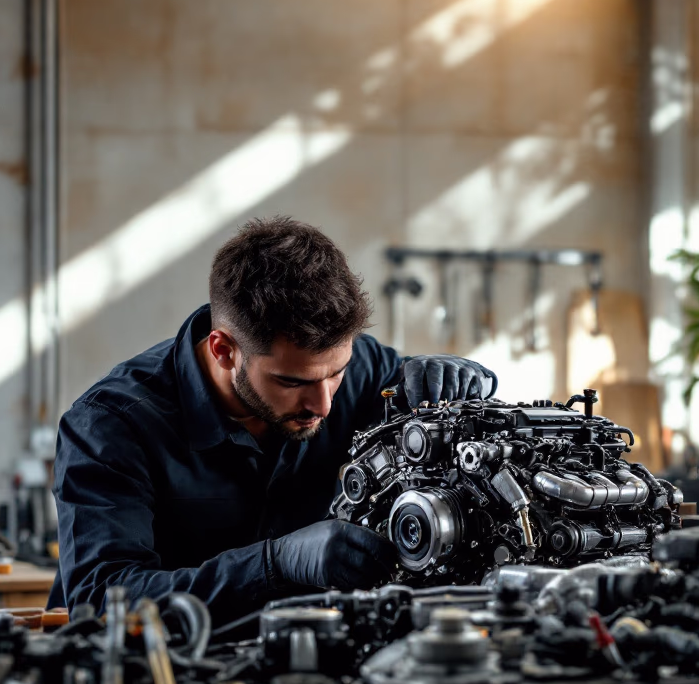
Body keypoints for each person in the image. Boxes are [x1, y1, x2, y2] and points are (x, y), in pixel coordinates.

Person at [47, 216, 496, 625]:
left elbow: (412, 383)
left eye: (337, 372)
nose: (322, 404)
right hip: (149, 676)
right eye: (291, 381)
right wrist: (272, 566)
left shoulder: (352, 371)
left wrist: (454, 377)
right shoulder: (110, 426)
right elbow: (101, 601)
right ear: (224, 350)